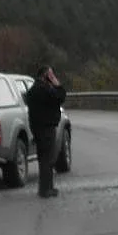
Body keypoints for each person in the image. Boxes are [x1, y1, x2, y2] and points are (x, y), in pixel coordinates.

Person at [24, 65, 67, 198]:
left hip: (37, 127)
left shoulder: (33, 90)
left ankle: (46, 187)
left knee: (44, 158)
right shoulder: (44, 89)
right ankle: (45, 189)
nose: (53, 76)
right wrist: (57, 84)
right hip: (46, 128)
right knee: (47, 159)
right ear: (45, 75)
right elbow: (60, 97)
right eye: (51, 74)